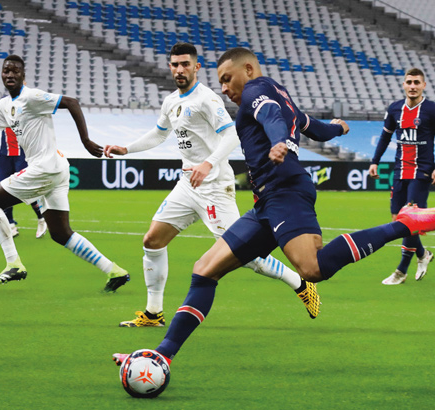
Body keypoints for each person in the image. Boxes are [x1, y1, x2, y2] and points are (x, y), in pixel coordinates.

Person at [112, 47, 435, 371]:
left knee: (312, 268)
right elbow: (312, 127)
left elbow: (271, 117)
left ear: (249, 69)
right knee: (204, 270)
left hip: (287, 192)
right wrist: (338, 128)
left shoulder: (256, 91)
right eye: (220, 82)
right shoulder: (279, 94)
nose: (224, 88)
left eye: (227, 79)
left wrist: (279, 139)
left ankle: (405, 224)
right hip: (266, 202)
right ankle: (161, 355)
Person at [104, 42, 320, 325]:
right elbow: (158, 135)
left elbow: (230, 135)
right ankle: (154, 313)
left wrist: (208, 164)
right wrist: (126, 149)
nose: (180, 69)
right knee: (152, 241)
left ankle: (301, 284)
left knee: (245, 255)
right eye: (175, 64)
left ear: (196, 67)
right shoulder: (171, 102)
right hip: (187, 184)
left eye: (185, 64)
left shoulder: (207, 99)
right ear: (170, 67)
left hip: (215, 186)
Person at [0, 54, 129, 289]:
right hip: (56, 169)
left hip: (45, 169)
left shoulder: (32, 97)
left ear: (23, 75)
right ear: (1, 74)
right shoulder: (4, 106)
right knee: (61, 233)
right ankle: (114, 271)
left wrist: (85, 141)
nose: (10, 74)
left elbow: (72, 102)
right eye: (6, 70)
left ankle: (13, 263)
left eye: (15, 71)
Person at [369, 67, 435, 285]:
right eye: (409, 82)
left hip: (422, 171)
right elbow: (385, 137)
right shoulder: (395, 109)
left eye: (417, 82)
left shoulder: (431, 110)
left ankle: (401, 271)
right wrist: (375, 161)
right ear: (404, 85)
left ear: (424, 85)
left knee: (410, 219)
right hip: (400, 170)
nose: (413, 86)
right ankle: (423, 254)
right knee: (397, 219)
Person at [0, 126, 47, 238]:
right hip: (4, 156)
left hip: (22, 155)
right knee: (4, 191)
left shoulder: (25, 111)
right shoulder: (1, 111)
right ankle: (10, 224)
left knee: (27, 190)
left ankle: (41, 218)